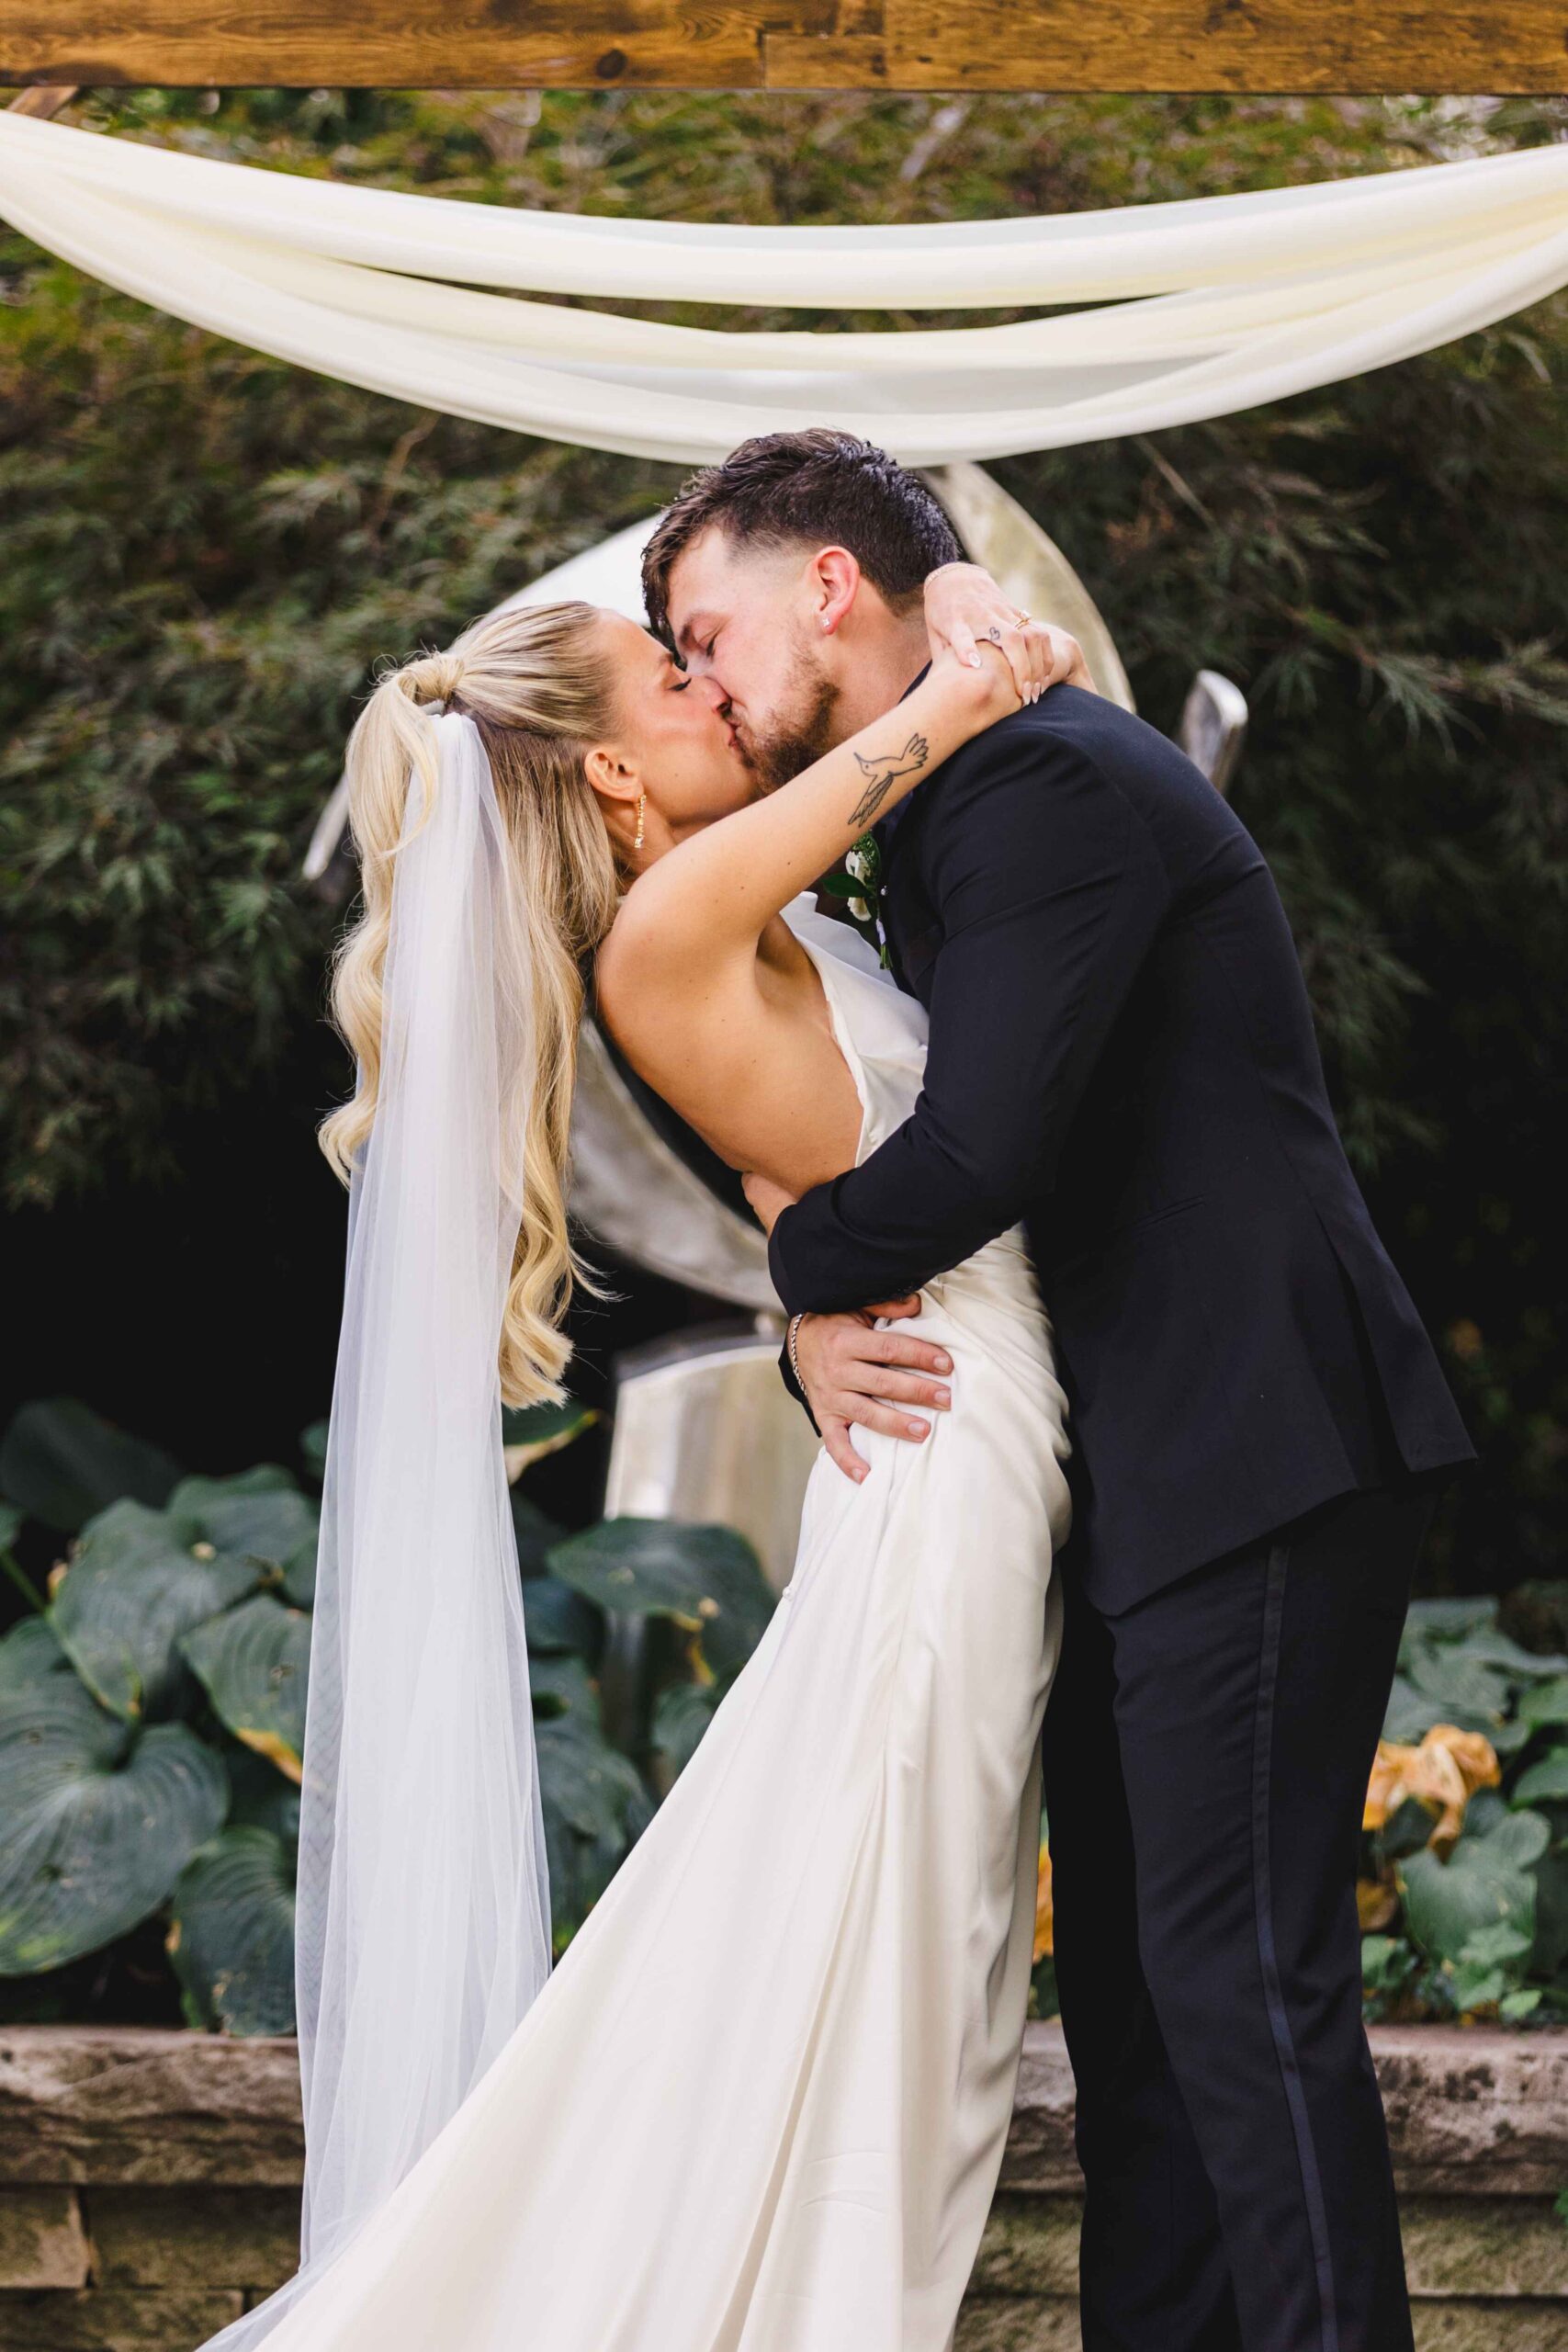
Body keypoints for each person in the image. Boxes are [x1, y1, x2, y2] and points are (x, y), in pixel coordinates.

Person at [196, 551, 1095, 2352]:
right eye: (670, 675)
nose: (715, 686)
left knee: (875, 1986)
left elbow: (809, 1161)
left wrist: (801, 1300)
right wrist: (971, 634)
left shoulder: (744, 924)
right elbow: (927, 719)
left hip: (946, 1419)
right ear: (611, 773)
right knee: (892, 2024)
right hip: (948, 1462)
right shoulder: (664, 925)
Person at [641, 428, 1477, 2352]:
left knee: (1237, 1989)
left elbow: (974, 1155)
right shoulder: (961, 788)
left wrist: (786, 1279)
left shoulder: (1036, 785)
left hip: (1251, 1438)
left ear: (828, 584)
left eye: (705, 632)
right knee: (1137, 2005)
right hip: (1143, 1465)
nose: (700, 684)